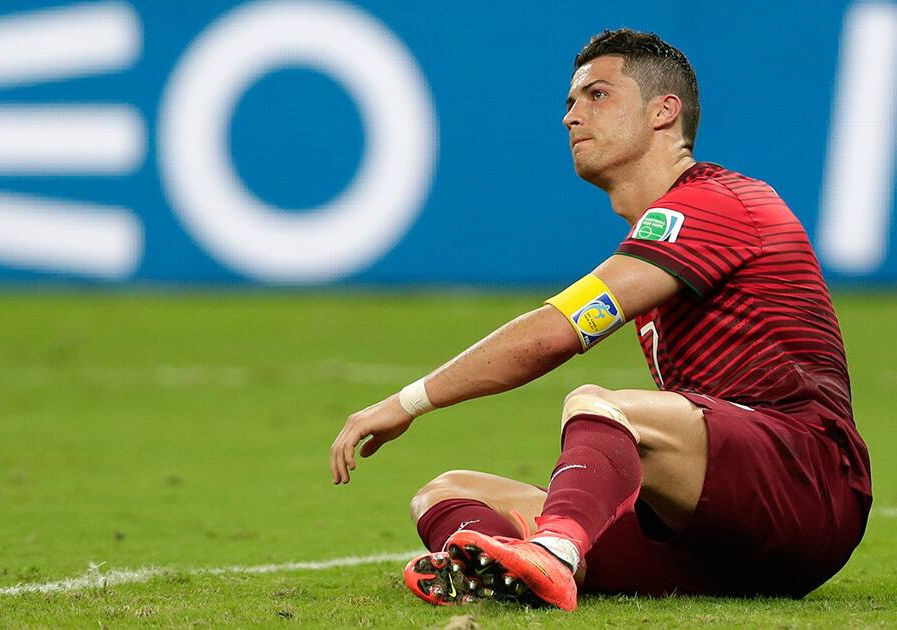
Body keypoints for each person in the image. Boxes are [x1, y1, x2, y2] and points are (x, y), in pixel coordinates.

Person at [329, 28, 872, 610]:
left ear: (665, 112)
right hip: (718, 534)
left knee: (600, 403)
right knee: (444, 493)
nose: (571, 117)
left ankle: (555, 554)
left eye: (597, 95)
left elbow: (554, 333)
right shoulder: (661, 235)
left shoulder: (719, 203)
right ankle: (497, 574)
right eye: (570, 102)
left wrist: (405, 402)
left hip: (809, 487)